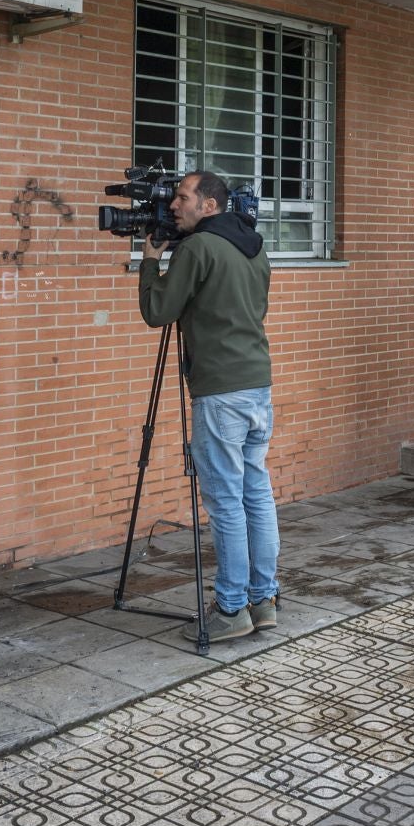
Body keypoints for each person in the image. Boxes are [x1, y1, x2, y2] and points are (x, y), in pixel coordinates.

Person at [138, 171, 278, 643]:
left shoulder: (198, 249)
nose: (174, 206)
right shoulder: (254, 248)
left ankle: (232, 609)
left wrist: (151, 261)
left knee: (225, 504)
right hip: (257, 386)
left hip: (219, 393)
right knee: (256, 495)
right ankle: (264, 599)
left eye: (183, 198)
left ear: (210, 206)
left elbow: (159, 312)